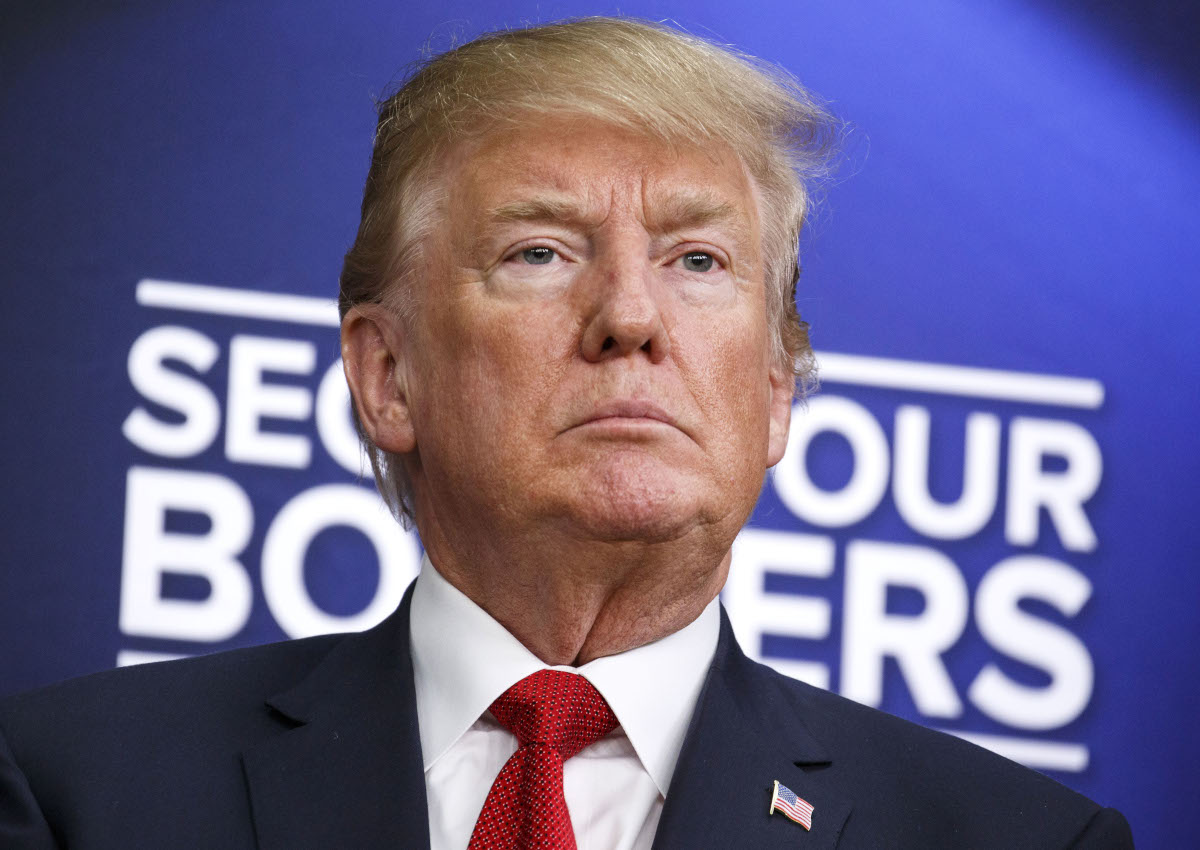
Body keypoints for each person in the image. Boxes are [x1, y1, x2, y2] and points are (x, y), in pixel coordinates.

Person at [0, 17, 1133, 850]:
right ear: (387, 375)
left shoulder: (1022, 839)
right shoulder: (74, 792)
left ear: (778, 391)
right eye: (539, 251)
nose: (632, 317)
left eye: (699, 261)